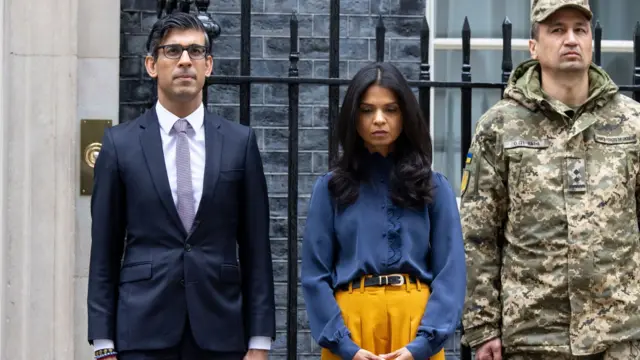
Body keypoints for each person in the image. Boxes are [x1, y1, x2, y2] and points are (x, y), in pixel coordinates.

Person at [86, 12, 275, 360]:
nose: (186, 60)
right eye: (172, 51)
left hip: (221, 332)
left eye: (196, 52)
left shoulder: (239, 142)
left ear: (209, 65)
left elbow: (256, 249)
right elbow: (104, 251)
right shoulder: (119, 144)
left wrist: (259, 341)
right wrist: (103, 343)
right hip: (141, 333)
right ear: (151, 65)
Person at [460, 0, 640, 359]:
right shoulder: (498, 127)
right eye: (557, 30)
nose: (570, 39)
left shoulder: (632, 123)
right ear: (533, 47)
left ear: (591, 41)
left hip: (617, 337)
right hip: (531, 337)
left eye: (580, 29)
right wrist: (482, 327)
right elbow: (476, 235)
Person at [301, 62, 467, 360]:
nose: (379, 119)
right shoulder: (331, 189)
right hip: (351, 328)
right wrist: (346, 346)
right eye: (367, 110)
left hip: (416, 326)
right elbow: (315, 275)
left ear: (405, 115)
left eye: (390, 110)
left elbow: (451, 272)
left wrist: (422, 345)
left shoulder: (434, 187)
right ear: (353, 117)